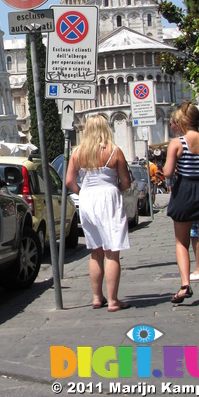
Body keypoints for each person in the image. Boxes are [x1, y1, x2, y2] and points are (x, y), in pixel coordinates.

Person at [66, 114, 132, 312]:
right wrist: (115, 190)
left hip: (87, 200)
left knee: (95, 251)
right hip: (108, 197)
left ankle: (97, 297)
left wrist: (83, 193)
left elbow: (69, 181)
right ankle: (113, 300)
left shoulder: (78, 152)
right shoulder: (114, 151)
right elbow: (126, 182)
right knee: (112, 251)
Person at [164, 101, 199, 306]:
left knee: (182, 242)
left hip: (185, 191)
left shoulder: (178, 143)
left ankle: (185, 285)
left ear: (183, 121)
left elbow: (168, 172)